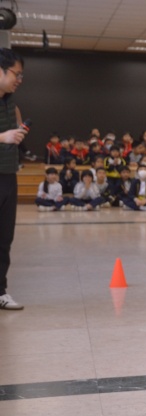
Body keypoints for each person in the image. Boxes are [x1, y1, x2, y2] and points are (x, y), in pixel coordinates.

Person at [0, 48, 26, 310]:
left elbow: (14, 131)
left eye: (21, 75)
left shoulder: (11, 103)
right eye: (15, 74)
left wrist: (17, 133)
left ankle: (0, 291)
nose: (18, 80)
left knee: (4, 239)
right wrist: (3, 137)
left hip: (8, 177)